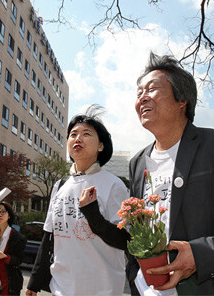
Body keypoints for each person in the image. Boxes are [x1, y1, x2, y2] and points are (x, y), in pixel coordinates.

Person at [128, 53, 214, 295]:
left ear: (182, 100)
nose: (142, 97)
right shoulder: (137, 162)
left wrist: (199, 256)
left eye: (153, 89)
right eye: (139, 93)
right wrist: (134, 275)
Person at [26, 105, 129, 296]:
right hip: (61, 287)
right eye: (73, 134)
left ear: (101, 146)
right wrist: (34, 282)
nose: (78, 138)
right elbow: (49, 236)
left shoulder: (114, 185)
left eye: (86, 134)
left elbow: (126, 240)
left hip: (102, 289)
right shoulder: (60, 185)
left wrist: (93, 215)